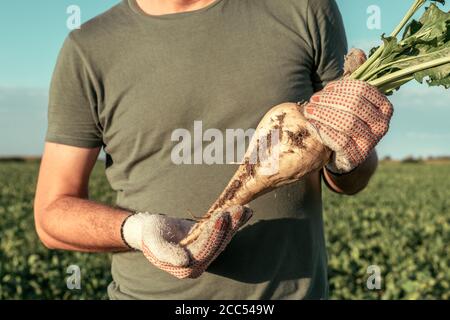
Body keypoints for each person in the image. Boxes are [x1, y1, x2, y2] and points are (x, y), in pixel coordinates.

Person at [34, 0, 392, 299]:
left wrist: (347, 159)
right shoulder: (89, 48)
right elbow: (52, 215)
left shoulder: (304, 9)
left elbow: (350, 177)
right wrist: (138, 231)